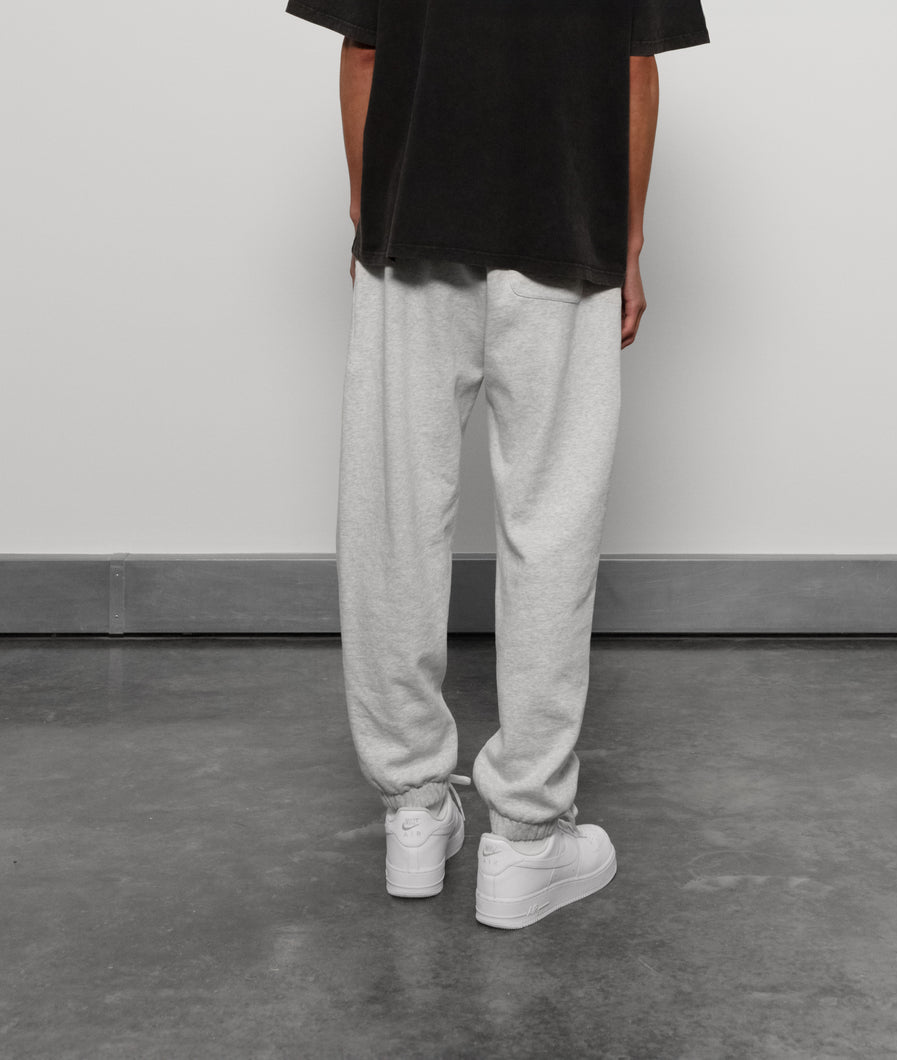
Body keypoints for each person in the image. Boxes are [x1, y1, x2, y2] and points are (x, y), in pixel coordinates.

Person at [285, 0, 709, 929]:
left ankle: (412, 808)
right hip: (565, 231)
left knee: (395, 513)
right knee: (550, 523)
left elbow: (363, 54)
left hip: (413, 228)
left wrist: (370, 213)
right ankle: (525, 837)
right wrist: (628, 243)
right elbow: (636, 71)